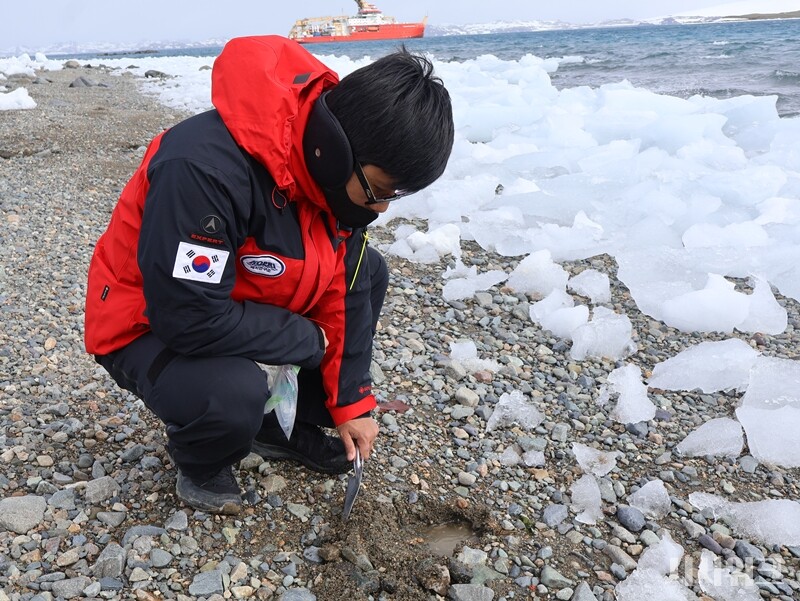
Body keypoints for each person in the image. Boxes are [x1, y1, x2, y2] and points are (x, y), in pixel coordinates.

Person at [83, 35, 454, 515]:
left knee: (369, 271)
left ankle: (274, 430)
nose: (381, 208)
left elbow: (349, 289)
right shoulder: (203, 170)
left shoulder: (329, 181)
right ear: (334, 149)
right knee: (233, 392)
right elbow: (186, 318)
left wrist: (352, 403)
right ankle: (200, 463)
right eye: (379, 190)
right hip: (145, 324)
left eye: (396, 195)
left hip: (236, 304)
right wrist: (308, 341)